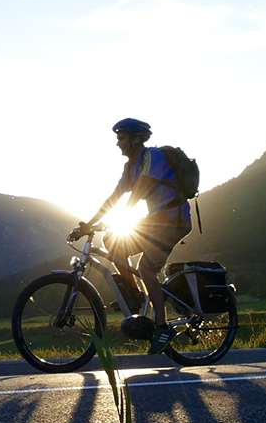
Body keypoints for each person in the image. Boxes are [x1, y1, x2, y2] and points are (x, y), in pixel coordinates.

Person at [82, 118, 193, 354]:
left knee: (145, 268)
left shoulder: (153, 157)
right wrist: (88, 224)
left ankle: (163, 328)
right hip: (157, 221)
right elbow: (115, 197)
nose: (118, 144)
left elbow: (142, 188)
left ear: (135, 139)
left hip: (173, 220)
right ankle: (135, 295)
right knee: (112, 241)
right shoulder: (129, 167)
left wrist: (121, 216)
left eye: (121, 139)